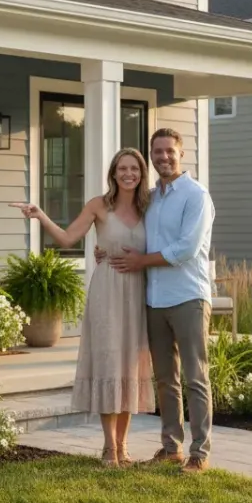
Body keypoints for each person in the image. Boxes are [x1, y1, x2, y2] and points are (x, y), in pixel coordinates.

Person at [10, 148, 155, 468]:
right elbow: (67, 238)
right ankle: (109, 448)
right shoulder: (98, 206)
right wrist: (40, 214)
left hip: (138, 292)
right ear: (113, 173)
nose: (128, 173)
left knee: (129, 367)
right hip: (107, 291)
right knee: (108, 363)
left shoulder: (150, 207)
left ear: (143, 173)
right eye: (122, 168)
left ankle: (124, 446)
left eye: (134, 168)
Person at [100, 128, 215, 473]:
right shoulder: (150, 198)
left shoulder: (196, 195)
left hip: (188, 297)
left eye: (169, 151)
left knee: (195, 376)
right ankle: (171, 446)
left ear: (181, 154)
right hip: (153, 299)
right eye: (158, 152)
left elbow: (186, 249)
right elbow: (130, 233)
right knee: (165, 378)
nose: (163, 157)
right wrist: (104, 249)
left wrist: (140, 261)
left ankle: (200, 452)